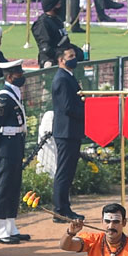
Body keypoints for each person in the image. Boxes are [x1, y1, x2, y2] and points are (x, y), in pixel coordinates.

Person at [0, 60, 29, 245]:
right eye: (18, 74)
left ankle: (10, 225)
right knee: (4, 187)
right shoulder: (3, 97)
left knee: (14, 185)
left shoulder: (15, 93)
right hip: (6, 144)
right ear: (10, 76)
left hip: (16, 143)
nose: (22, 77)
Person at [52, 44, 85, 221]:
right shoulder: (62, 79)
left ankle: (65, 207)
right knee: (64, 171)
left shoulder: (68, 76)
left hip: (71, 131)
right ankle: (60, 210)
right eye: (70, 56)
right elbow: (68, 107)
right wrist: (88, 112)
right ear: (61, 60)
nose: (74, 58)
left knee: (68, 171)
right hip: (66, 132)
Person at [32, 0, 69, 67]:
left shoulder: (57, 20)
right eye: (58, 4)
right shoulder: (42, 24)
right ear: (52, 7)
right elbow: (46, 48)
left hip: (62, 53)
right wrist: (62, 54)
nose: (60, 6)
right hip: (50, 59)